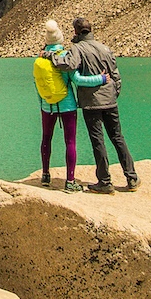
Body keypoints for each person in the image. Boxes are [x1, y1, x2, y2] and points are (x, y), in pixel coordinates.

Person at [57, 16, 138, 193]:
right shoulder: (104, 48)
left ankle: (105, 181)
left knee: (97, 140)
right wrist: (113, 93)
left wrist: (51, 57)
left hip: (91, 103)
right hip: (110, 100)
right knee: (117, 137)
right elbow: (116, 75)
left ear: (76, 32)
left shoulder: (77, 48)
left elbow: (69, 65)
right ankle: (131, 178)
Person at [33, 19, 105, 191]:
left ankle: (45, 175)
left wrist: (43, 103)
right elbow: (78, 80)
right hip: (67, 105)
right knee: (70, 142)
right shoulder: (65, 57)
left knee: (46, 139)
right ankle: (70, 181)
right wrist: (101, 79)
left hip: (47, 105)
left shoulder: (40, 59)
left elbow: (37, 86)